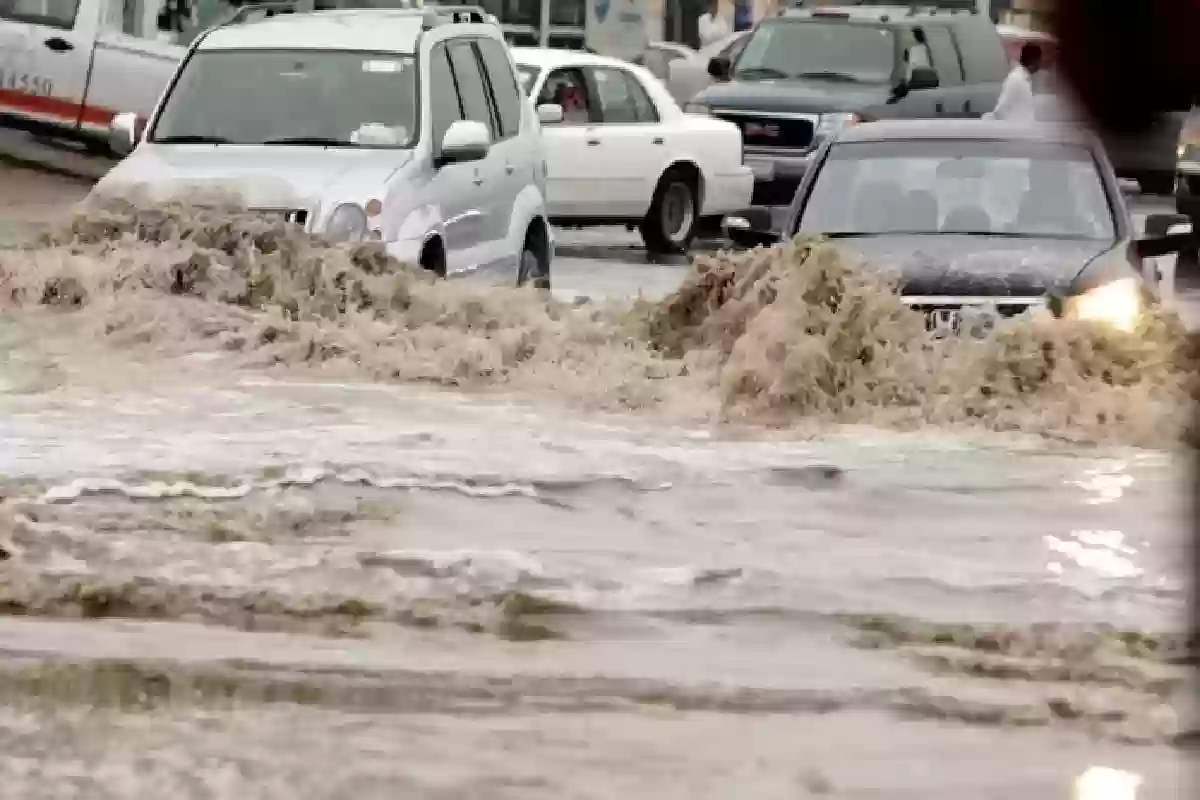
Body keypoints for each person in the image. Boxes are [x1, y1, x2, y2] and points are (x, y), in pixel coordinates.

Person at [985, 42, 1042, 122]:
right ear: (1034, 60)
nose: (1040, 64)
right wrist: (988, 120)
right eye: (1039, 60)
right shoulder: (1016, 79)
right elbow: (1002, 109)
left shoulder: (1025, 79)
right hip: (1017, 131)